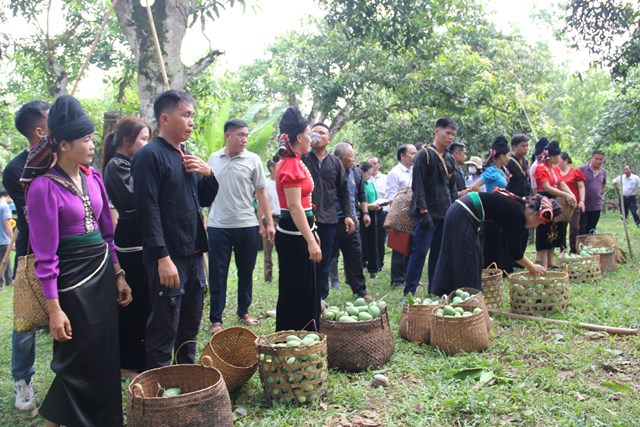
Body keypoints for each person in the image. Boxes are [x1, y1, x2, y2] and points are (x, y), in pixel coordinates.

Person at [24, 94, 132, 427]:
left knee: (103, 353)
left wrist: (119, 274)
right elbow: (45, 256)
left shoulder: (94, 178)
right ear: (64, 145)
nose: (91, 144)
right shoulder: (43, 188)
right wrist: (55, 309)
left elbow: (107, 235)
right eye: (85, 139)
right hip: (70, 282)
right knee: (75, 357)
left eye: (91, 138)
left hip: (101, 274)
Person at [132, 90, 218, 368]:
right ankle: (159, 388)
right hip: (168, 256)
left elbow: (202, 200)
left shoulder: (187, 154)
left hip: (193, 252)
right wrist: (162, 257)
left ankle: (186, 376)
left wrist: (209, 175)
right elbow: (147, 210)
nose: (191, 122)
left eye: (192, 115)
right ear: (165, 118)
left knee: (190, 324)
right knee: (165, 325)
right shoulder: (149, 156)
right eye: (186, 115)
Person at [207, 119, 275, 334]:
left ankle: (243, 311)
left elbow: (261, 191)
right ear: (228, 135)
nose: (244, 139)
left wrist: (269, 222)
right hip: (218, 226)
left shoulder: (253, 160)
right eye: (240, 135)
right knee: (218, 273)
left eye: (246, 135)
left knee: (246, 270)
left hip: (246, 224)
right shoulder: (213, 159)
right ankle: (216, 318)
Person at [4, 100, 50, 411]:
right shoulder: (15, 170)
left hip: (68, 253)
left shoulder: (67, 158)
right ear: (39, 131)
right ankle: (22, 379)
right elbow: (40, 209)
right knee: (25, 323)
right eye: (52, 120)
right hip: (31, 255)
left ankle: (70, 375)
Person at [431, 190, 560, 296]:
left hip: (461, 212)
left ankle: (444, 292)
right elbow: (514, 250)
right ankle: (469, 302)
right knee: (469, 262)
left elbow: (506, 243)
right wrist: (531, 267)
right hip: (463, 213)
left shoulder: (517, 207)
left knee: (473, 258)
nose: (536, 226)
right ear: (535, 214)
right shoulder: (518, 214)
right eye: (539, 222)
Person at [102, 116, 153, 377]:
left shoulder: (131, 163)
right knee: (133, 302)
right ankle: (126, 363)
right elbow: (137, 197)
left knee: (145, 300)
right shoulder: (116, 166)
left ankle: (141, 358)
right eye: (143, 139)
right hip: (130, 238)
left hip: (141, 236)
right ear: (126, 140)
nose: (146, 144)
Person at [274, 106, 321, 331]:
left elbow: (303, 205)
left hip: (300, 232)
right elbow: (294, 206)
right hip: (293, 236)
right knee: (296, 290)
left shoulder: (295, 160)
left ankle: (306, 337)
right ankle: (294, 338)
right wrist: (309, 240)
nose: (312, 139)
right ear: (300, 136)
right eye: (310, 134)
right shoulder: (290, 165)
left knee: (305, 288)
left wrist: (313, 232)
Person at [405, 118, 458, 296]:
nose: (450, 137)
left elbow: (451, 188)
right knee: (419, 253)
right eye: (447, 133)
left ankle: (434, 291)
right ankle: (409, 294)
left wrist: (454, 209)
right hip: (427, 214)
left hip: (445, 213)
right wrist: (423, 211)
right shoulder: (424, 155)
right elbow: (417, 185)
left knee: (438, 255)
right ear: (437, 132)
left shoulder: (449, 157)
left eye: (453, 134)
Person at [303, 123, 354, 302]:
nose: (317, 135)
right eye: (314, 132)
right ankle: (305, 297)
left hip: (329, 219)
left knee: (324, 261)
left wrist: (348, 214)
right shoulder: (302, 159)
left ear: (329, 139)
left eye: (322, 132)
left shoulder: (336, 163)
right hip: (305, 218)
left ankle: (321, 299)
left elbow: (344, 191)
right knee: (305, 260)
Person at [329, 143, 371, 300]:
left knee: (355, 255)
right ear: (340, 159)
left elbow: (361, 195)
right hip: (332, 221)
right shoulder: (329, 172)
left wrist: (365, 213)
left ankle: (360, 291)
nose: (354, 159)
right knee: (328, 257)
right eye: (351, 156)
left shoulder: (357, 173)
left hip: (352, 221)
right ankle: (321, 291)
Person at [470, 136, 512, 271]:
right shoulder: (491, 172)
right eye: (507, 155)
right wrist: (488, 199)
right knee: (493, 239)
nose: (509, 158)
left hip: (504, 207)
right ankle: (491, 268)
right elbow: (475, 187)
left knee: (503, 237)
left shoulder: (503, 170)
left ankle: (503, 267)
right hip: (494, 208)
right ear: (501, 156)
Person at [534, 141, 576, 268]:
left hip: (555, 201)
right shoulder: (541, 168)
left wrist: (571, 194)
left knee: (554, 230)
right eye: (557, 156)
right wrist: (565, 195)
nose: (559, 158)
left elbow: (562, 184)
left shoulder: (555, 169)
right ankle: (544, 263)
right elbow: (546, 187)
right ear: (551, 157)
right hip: (545, 200)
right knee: (545, 231)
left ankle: (551, 261)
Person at [385, 144, 417, 289]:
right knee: (399, 248)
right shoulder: (395, 173)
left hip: (413, 214)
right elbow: (392, 196)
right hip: (400, 214)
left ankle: (407, 277)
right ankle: (397, 280)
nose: (415, 155)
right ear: (402, 156)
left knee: (411, 248)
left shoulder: (415, 171)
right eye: (412, 153)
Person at [506, 134, 532, 266]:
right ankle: (512, 259)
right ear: (514, 147)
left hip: (524, 201)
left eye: (527, 146)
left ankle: (520, 259)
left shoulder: (525, 162)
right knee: (515, 231)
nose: (525, 149)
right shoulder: (509, 162)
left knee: (524, 232)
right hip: (513, 200)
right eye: (522, 146)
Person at [359, 161, 384, 276]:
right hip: (362, 214)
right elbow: (357, 201)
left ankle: (375, 267)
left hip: (374, 213)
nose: (370, 176)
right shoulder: (359, 183)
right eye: (368, 174)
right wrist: (368, 207)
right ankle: (363, 263)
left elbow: (376, 196)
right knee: (362, 241)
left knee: (375, 240)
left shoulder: (370, 183)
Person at [558, 152, 586, 253]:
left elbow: (581, 186)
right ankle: (562, 248)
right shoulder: (556, 172)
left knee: (575, 227)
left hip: (574, 204)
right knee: (561, 227)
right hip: (561, 205)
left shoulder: (575, 171)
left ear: (565, 161)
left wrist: (582, 200)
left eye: (559, 159)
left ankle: (574, 248)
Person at [260, 158, 281, 282]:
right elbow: (260, 205)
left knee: (283, 249)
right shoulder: (265, 184)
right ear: (271, 168)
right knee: (268, 250)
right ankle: (268, 277)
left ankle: (283, 273)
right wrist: (261, 224)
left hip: (283, 217)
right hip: (270, 219)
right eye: (277, 165)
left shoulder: (283, 182)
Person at [579, 150, 606, 234]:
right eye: (596, 159)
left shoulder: (603, 172)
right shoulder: (581, 169)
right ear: (591, 158)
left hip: (596, 205)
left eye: (601, 159)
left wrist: (600, 193)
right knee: (582, 228)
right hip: (584, 205)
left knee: (592, 229)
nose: (598, 161)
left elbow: (603, 184)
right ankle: (580, 246)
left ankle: (590, 245)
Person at [368, 156, 387, 270]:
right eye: (370, 164)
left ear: (379, 165)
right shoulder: (365, 178)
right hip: (368, 210)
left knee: (380, 238)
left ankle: (380, 262)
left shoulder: (385, 178)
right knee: (370, 238)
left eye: (375, 163)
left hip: (382, 211)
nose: (373, 166)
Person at [0, 189, 14, 288]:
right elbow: (7, 224)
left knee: (7, 260)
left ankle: (9, 281)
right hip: (3, 239)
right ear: (7, 195)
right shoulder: (5, 206)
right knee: (3, 262)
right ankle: (0, 285)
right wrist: (12, 239)